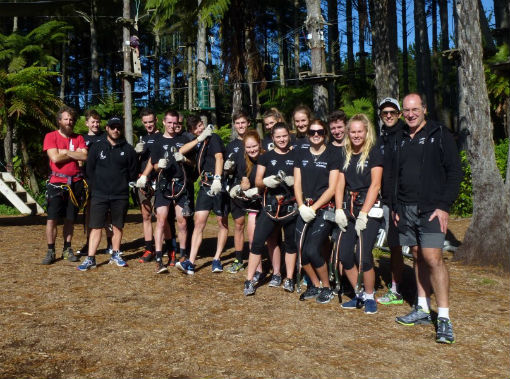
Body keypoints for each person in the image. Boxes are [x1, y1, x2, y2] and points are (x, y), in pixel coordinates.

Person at [392, 93, 462, 344]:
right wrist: (396, 206)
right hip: (406, 209)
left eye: (415, 109)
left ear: (424, 109)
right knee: (417, 255)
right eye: (406, 111)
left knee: (433, 257)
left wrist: (444, 206)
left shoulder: (439, 134)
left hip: (432, 208)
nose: (410, 114)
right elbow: (395, 174)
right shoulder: (399, 137)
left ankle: (443, 317)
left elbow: (455, 172)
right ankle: (422, 308)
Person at [335, 114, 383, 315]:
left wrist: (364, 214)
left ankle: (370, 296)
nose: (356, 135)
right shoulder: (344, 153)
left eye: (359, 131)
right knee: (345, 254)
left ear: (366, 132)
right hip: (349, 207)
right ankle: (359, 294)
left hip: (369, 208)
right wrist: (338, 209)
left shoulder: (374, 153)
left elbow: (375, 184)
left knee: (362, 256)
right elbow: (339, 184)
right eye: (352, 131)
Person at [244, 122, 298, 296]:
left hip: (290, 208)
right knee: (257, 242)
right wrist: (267, 181)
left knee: (290, 244)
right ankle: (249, 280)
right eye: (278, 137)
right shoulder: (266, 157)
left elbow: (301, 181)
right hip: (269, 208)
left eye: (284, 136)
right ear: (272, 138)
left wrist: (293, 181)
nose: (281, 139)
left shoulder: (297, 155)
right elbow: (258, 180)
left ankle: (289, 278)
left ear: (289, 136)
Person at [77, 116, 138, 271]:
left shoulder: (128, 149)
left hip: (120, 195)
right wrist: (96, 187)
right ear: (107, 129)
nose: (115, 130)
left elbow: (132, 173)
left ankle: (116, 254)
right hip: (99, 194)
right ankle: (90, 258)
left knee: (118, 226)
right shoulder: (97, 147)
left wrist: (124, 185)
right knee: (95, 226)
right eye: (112, 127)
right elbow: (89, 169)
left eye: (118, 127)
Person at [293, 119, 339, 304]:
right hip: (304, 208)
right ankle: (314, 284)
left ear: (325, 133)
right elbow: (297, 183)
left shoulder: (332, 155)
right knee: (301, 250)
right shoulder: (300, 154)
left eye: (319, 131)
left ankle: (327, 287)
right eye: (312, 132)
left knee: (312, 250)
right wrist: (302, 206)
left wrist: (314, 207)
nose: (316, 135)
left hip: (323, 209)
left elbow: (332, 188)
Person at [176, 115, 228, 274]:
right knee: (199, 222)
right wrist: (199, 139)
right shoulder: (199, 143)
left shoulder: (214, 138)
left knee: (222, 222)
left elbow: (219, 157)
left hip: (218, 184)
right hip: (205, 185)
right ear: (192, 131)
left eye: (200, 125)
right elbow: (181, 151)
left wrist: (218, 179)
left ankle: (217, 259)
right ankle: (190, 262)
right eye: (196, 128)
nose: (200, 129)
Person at [144, 110, 193, 273]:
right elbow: (155, 164)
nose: (172, 126)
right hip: (163, 185)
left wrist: (185, 159)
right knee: (161, 220)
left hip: (181, 185)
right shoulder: (157, 141)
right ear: (164, 122)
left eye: (175, 123)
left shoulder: (184, 139)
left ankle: (183, 256)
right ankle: (159, 259)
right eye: (169, 122)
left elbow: (193, 163)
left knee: (182, 221)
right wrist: (160, 166)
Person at [42, 106, 87, 265]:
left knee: (70, 219)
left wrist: (66, 152)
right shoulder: (50, 136)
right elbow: (54, 158)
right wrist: (72, 154)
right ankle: (50, 250)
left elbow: (84, 155)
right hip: (56, 184)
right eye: (66, 119)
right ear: (59, 120)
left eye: (71, 119)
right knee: (52, 219)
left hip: (75, 183)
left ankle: (67, 248)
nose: (69, 121)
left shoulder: (79, 137)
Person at [375, 98, 406, 306]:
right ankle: (396, 288)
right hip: (385, 200)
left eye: (392, 112)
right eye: (384, 112)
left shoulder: (406, 136)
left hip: (404, 201)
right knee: (394, 245)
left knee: (410, 246)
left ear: (399, 114)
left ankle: (404, 290)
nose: (388, 115)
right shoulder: (381, 139)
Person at [227, 130, 265, 275]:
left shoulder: (266, 157)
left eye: (254, 146)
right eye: (248, 147)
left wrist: (257, 189)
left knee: (272, 238)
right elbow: (236, 177)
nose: (252, 150)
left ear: (259, 144)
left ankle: (277, 272)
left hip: (264, 201)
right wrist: (239, 186)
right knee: (250, 233)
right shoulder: (242, 159)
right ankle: (256, 269)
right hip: (248, 203)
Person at [77, 109, 113, 257]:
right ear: (87, 123)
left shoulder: (106, 137)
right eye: (93, 122)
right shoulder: (82, 138)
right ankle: (88, 242)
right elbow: (79, 159)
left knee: (108, 213)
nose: (96, 124)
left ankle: (110, 243)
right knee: (90, 213)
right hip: (88, 180)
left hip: (105, 180)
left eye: (98, 122)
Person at [224, 110, 251, 273]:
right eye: (238, 123)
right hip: (236, 190)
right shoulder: (231, 146)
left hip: (254, 189)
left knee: (257, 227)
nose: (241, 126)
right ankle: (239, 259)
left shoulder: (256, 141)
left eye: (243, 122)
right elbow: (226, 171)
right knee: (239, 224)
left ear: (248, 123)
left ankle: (260, 259)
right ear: (234, 125)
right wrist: (227, 171)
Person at [134, 108, 162, 263]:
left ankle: (161, 248)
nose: (149, 125)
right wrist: (136, 153)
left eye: (151, 122)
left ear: (156, 120)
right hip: (143, 182)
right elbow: (136, 163)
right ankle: (148, 248)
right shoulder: (142, 139)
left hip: (158, 181)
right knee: (145, 216)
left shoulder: (162, 137)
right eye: (145, 122)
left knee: (159, 216)